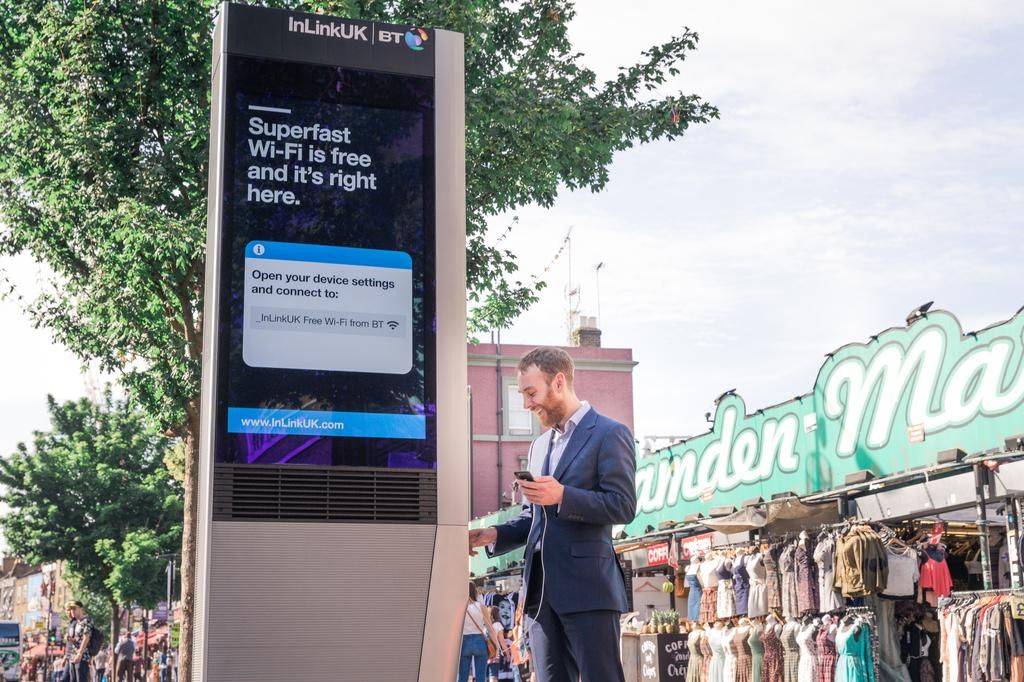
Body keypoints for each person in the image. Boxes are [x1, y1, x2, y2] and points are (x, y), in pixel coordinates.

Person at [468, 347, 637, 682]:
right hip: (540, 597)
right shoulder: (538, 446)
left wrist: (563, 495)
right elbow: (534, 518)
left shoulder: (609, 433)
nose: (527, 404)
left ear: (558, 382)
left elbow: (623, 505)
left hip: (589, 591)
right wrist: (494, 535)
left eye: (531, 393)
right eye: (523, 395)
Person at [458, 583, 503, 682]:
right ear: (475, 591)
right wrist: (497, 646)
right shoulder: (481, 607)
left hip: (465, 641)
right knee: (481, 677)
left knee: (462, 676)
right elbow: (490, 629)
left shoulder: (459, 607)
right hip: (479, 640)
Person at [62, 601, 93, 682]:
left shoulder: (86, 620)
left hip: (82, 657)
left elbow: (86, 637)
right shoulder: (77, 623)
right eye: (71, 609)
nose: (72, 612)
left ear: (81, 609)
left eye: (74, 609)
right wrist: (71, 639)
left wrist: (80, 653)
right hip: (73, 656)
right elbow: (78, 640)